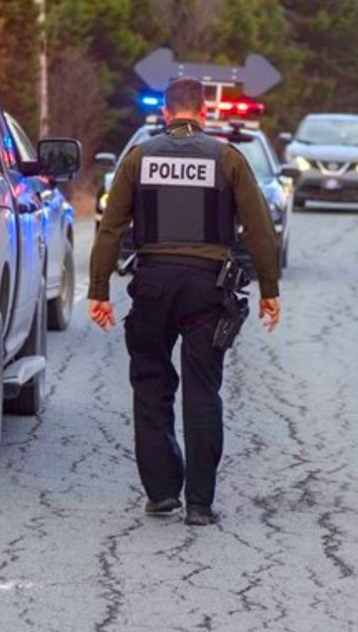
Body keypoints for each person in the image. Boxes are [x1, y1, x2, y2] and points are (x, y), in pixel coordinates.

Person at [88, 77, 282, 526]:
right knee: (202, 392)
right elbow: (258, 230)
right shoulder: (227, 158)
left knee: (151, 385)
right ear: (204, 112)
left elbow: (110, 230)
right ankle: (199, 504)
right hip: (206, 288)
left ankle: (161, 494)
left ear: (167, 113)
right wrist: (269, 289)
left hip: (153, 284)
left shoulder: (139, 157)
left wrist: (99, 291)